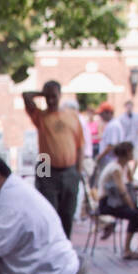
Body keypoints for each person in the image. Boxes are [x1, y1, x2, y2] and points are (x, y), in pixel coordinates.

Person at [22, 81, 84, 239]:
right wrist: (43, 93)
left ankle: (65, 244)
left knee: (68, 212)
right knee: (48, 211)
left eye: (54, 96)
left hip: (69, 170)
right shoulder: (41, 116)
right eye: (47, 96)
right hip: (46, 167)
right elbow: (26, 95)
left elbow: (80, 145)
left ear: (60, 96)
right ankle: (50, 245)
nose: (50, 100)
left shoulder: (72, 116)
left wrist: (78, 171)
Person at [96, 141, 138, 259]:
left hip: (115, 202)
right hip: (107, 203)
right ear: (127, 153)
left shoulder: (124, 166)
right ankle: (127, 249)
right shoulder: (115, 168)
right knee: (136, 215)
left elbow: (131, 181)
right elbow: (122, 191)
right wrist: (131, 204)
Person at [117, 100, 138, 165]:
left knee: (136, 158)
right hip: (125, 141)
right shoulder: (121, 118)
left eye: (130, 106)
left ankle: (132, 173)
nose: (129, 108)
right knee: (126, 158)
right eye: (128, 106)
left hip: (135, 142)